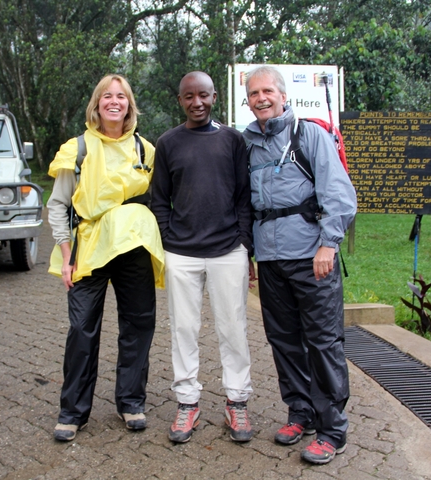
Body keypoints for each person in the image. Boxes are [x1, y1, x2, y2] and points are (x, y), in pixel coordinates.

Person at [243, 66, 357, 464]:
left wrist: (329, 244)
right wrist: (249, 254)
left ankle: (332, 430)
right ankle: (300, 413)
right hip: (271, 261)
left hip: (313, 259)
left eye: (268, 91)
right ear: (248, 99)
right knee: (285, 342)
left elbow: (338, 193)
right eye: (254, 93)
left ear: (283, 95)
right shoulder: (248, 144)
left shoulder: (309, 135)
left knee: (323, 343)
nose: (262, 98)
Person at [46, 74, 164, 442]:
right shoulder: (77, 149)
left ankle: (131, 401)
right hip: (90, 247)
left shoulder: (146, 150)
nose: (114, 102)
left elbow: (160, 202)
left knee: (138, 324)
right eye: (106, 96)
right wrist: (66, 256)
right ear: (96, 104)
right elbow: (57, 205)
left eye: (121, 96)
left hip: (134, 246)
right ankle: (73, 411)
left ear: (130, 104)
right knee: (82, 328)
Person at [150, 71, 255, 443]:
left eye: (204, 95)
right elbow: (159, 198)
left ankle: (237, 402)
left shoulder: (232, 140)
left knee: (233, 328)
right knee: (183, 329)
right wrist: (166, 239)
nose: (197, 103)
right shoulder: (168, 143)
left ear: (215, 97)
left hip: (228, 250)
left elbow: (244, 196)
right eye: (189, 96)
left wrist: (244, 243)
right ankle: (187, 402)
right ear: (180, 100)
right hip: (181, 253)